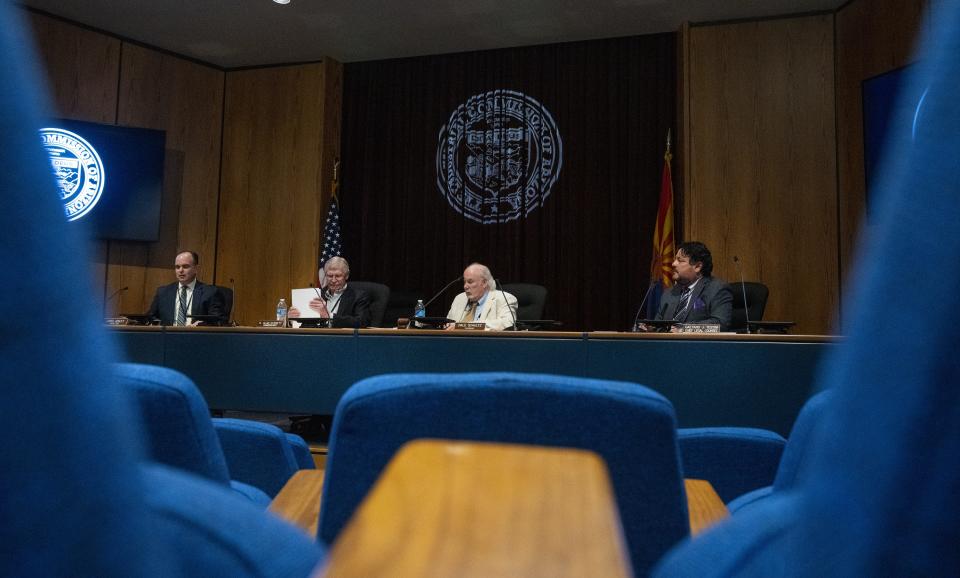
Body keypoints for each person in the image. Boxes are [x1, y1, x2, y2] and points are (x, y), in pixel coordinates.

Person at [650, 241, 733, 331]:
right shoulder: (669, 293)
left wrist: (683, 329)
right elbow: (657, 326)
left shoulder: (717, 289)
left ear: (697, 266)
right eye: (675, 259)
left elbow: (721, 324)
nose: (673, 264)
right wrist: (650, 328)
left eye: (680, 260)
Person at [146, 251, 225, 326]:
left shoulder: (210, 292)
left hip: (196, 337)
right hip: (168, 337)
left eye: (185, 266)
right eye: (177, 267)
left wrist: (201, 325)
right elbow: (150, 318)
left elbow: (218, 320)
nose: (180, 270)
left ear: (196, 269)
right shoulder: (163, 292)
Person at [288, 256, 371, 328]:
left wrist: (328, 316)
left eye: (338, 276)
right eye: (330, 276)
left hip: (342, 340)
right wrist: (292, 319)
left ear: (347, 276)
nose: (333, 280)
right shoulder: (317, 294)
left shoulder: (359, 296)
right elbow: (308, 323)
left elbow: (361, 322)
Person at [445, 263, 518, 331]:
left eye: (470, 282)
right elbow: (448, 325)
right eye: (464, 282)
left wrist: (465, 326)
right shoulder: (459, 298)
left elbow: (508, 323)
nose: (465, 286)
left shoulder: (504, 298)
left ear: (484, 283)